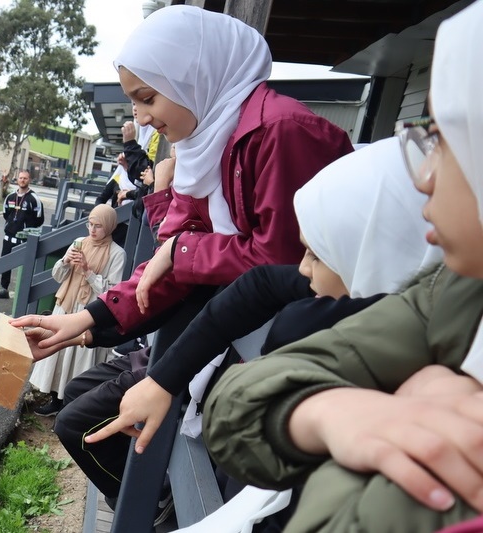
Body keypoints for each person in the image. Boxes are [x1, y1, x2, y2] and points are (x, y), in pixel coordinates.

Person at [204, 3, 483, 530]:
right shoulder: (453, 293)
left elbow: (261, 263)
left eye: (446, 139)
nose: (421, 176)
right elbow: (234, 405)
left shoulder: (282, 129)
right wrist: (331, 412)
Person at [53, 136, 441, 515]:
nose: (301, 268)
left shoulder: (405, 359)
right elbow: (261, 282)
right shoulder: (378, 300)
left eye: (317, 253)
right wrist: (162, 378)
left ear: (373, 248)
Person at [11, 5, 352, 384]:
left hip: (284, 352)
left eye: (147, 98)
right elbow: (173, 257)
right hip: (235, 331)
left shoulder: (282, 132)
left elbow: (283, 263)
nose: (140, 118)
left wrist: (180, 249)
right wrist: (86, 318)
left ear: (194, 77)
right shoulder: (203, 146)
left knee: (90, 418)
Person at [30, 204, 126, 416]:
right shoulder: (79, 243)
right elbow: (57, 276)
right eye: (90, 224)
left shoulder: (117, 253)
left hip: (88, 312)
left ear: (109, 226)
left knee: (78, 357)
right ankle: (55, 400)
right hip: (66, 305)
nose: (92, 230)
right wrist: (65, 261)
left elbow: (112, 291)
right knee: (60, 353)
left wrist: (87, 270)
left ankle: (69, 407)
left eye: (98, 226)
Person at [0, 170, 45, 299]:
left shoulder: (34, 199)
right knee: (5, 261)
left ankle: (23, 291)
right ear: (17, 179)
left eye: (25, 178)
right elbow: (5, 214)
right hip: (9, 236)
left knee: (25, 264)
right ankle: (4, 288)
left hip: (25, 238)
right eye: (20, 178)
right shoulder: (10, 197)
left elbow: (39, 219)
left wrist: (27, 228)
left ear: (29, 180)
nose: (22, 180)